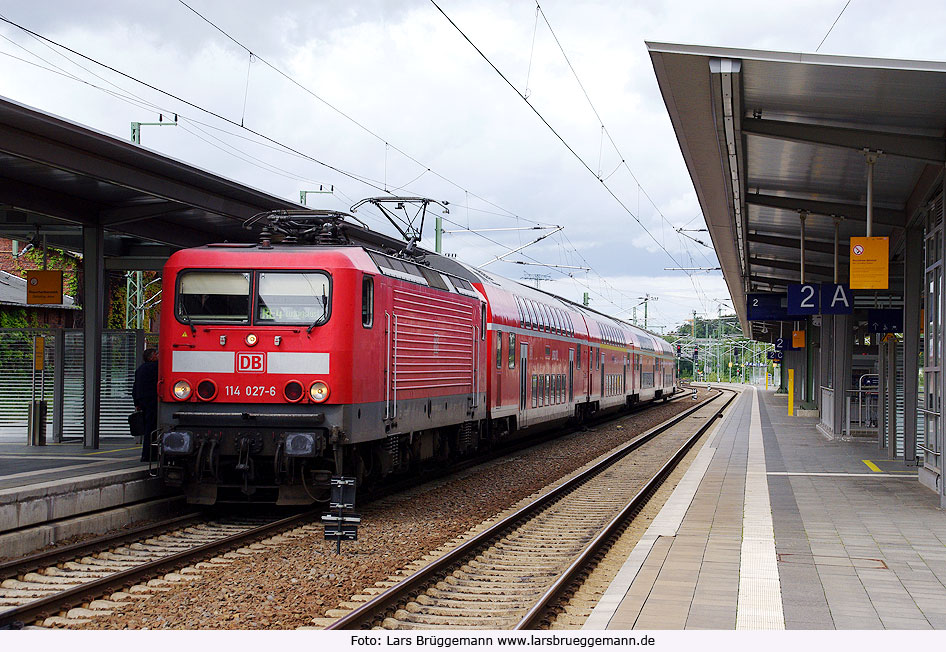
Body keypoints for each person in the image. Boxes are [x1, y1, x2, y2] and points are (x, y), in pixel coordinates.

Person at [133, 348, 159, 462]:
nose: (158, 356)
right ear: (151, 357)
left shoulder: (140, 369)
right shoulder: (156, 367)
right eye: (156, 354)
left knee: (148, 427)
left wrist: (137, 403)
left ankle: (146, 454)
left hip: (142, 401)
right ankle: (150, 454)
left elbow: (135, 387)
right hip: (152, 400)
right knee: (152, 427)